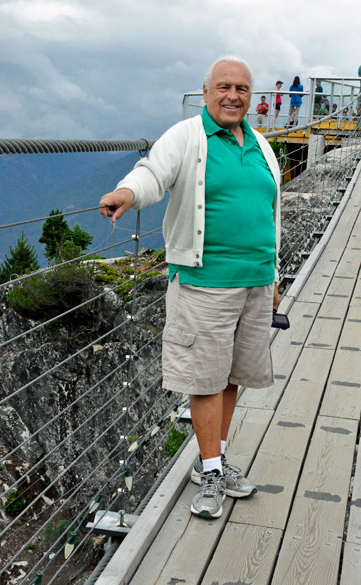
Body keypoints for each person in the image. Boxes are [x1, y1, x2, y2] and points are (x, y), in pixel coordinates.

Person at [99, 56, 281, 520]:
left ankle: (211, 463)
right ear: (205, 92)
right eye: (224, 87)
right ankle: (214, 468)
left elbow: (270, 214)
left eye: (242, 88)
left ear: (251, 96)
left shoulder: (261, 144)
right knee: (205, 379)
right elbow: (153, 173)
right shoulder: (186, 137)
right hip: (204, 283)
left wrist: (274, 276)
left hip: (256, 284)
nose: (233, 95)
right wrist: (128, 192)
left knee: (234, 375)